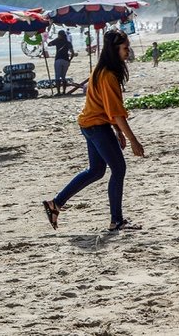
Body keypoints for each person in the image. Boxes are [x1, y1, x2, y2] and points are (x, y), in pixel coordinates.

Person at [42, 29, 145, 232]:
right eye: (125, 48)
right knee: (119, 169)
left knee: (96, 170)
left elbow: (108, 107)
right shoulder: (108, 75)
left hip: (90, 124)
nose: (128, 52)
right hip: (96, 126)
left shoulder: (101, 70)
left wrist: (118, 132)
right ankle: (116, 221)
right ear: (114, 49)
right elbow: (117, 114)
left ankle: (55, 204)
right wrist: (134, 141)